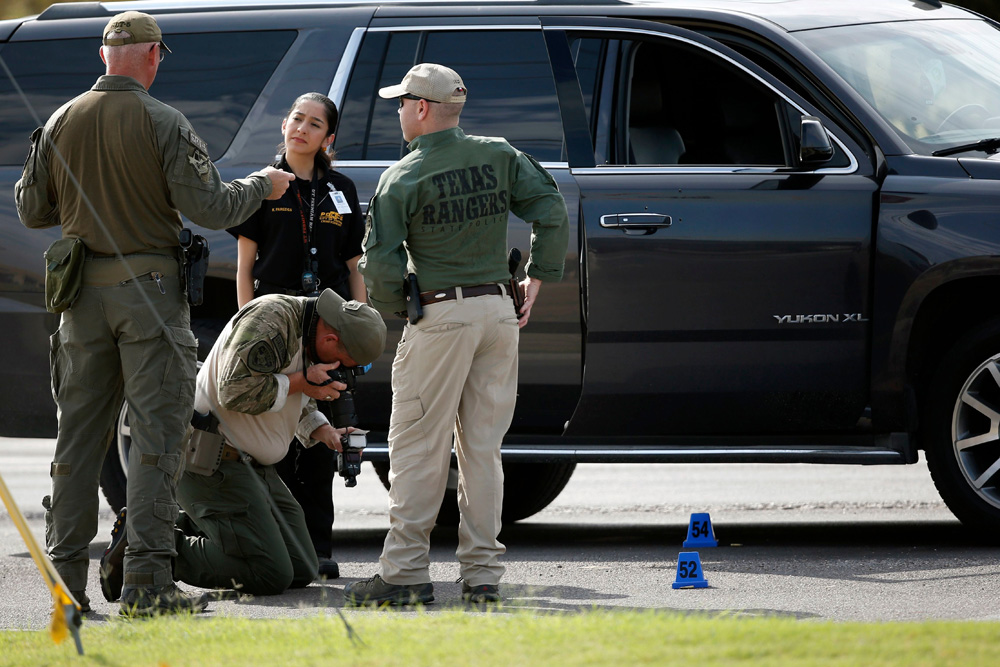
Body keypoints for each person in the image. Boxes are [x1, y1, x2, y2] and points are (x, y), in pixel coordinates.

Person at [14, 11, 294, 617]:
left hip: (79, 302)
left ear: (103, 54)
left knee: (78, 441)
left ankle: (65, 591)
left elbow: (33, 211)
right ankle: (146, 584)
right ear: (152, 56)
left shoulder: (59, 120)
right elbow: (211, 206)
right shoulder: (163, 121)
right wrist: (264, 187)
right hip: (149, 297)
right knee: (156, 439)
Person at [346, 63, 569, 606]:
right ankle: (483, 576)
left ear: (422, 108)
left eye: (402, 102)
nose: (398, 111)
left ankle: (403, 575)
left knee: (419, 447)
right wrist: (537, 277)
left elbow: (378, 262)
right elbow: (551, 209)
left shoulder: (402, 175)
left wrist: (404, 307)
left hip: (441, 316)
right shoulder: (498, 153)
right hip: (498, 313)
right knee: (483, 450)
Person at [228, 92, 366, 579]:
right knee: (278, 441)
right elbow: (246, 267)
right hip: (275, 323)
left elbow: (353, 268)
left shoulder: (341, 189)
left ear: (328, 137)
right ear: (284, 124)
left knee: (322, 439)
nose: (301, 129)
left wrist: (360, 327)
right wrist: (247, 329)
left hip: (326, 331)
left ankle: (319, 548)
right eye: (296, 118)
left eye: (314, 124)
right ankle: (281, 549)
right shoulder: (262, 186)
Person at [170, 289, 385, 596]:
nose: (342, 372)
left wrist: (326, 432)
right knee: (269, 573)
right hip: (212, 460)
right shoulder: (273, 319)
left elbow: (291, 392)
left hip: (252, 467)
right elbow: (233, 389)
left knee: (302, 567)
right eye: (343, 363)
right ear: (330, 340)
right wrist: (302, 382)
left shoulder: (309, 332)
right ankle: (149, 546)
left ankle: (195, 523)